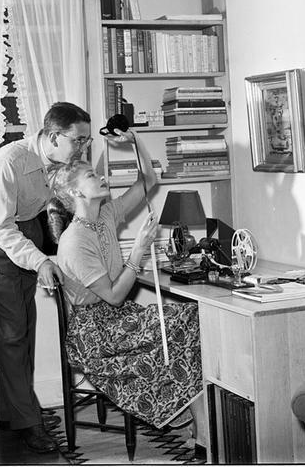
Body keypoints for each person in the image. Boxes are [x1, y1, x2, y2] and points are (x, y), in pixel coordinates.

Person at [46, 129, 203, 429]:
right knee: (185, 321)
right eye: (92, 176)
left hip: (118, 319)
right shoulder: (74, 241)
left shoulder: (105, 214)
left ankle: (196, 421)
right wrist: (139, 249)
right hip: (96, 334)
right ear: (76, 193)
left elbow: (148, 180)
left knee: (191, 316)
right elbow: (115, 297)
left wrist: (135, 141)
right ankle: (198, 425)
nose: (101, 177)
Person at [0, 102, 92, 453]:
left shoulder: (62, 160)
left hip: (25, 225)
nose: (83, 148)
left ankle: (14, 414)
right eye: (78, 140)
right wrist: (40, 262)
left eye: (86, 141)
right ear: (53, 136)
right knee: (10, 330)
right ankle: (28, 422)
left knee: (23, 325)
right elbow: (2, 227)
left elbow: (66, 203)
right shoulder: (10, 162)